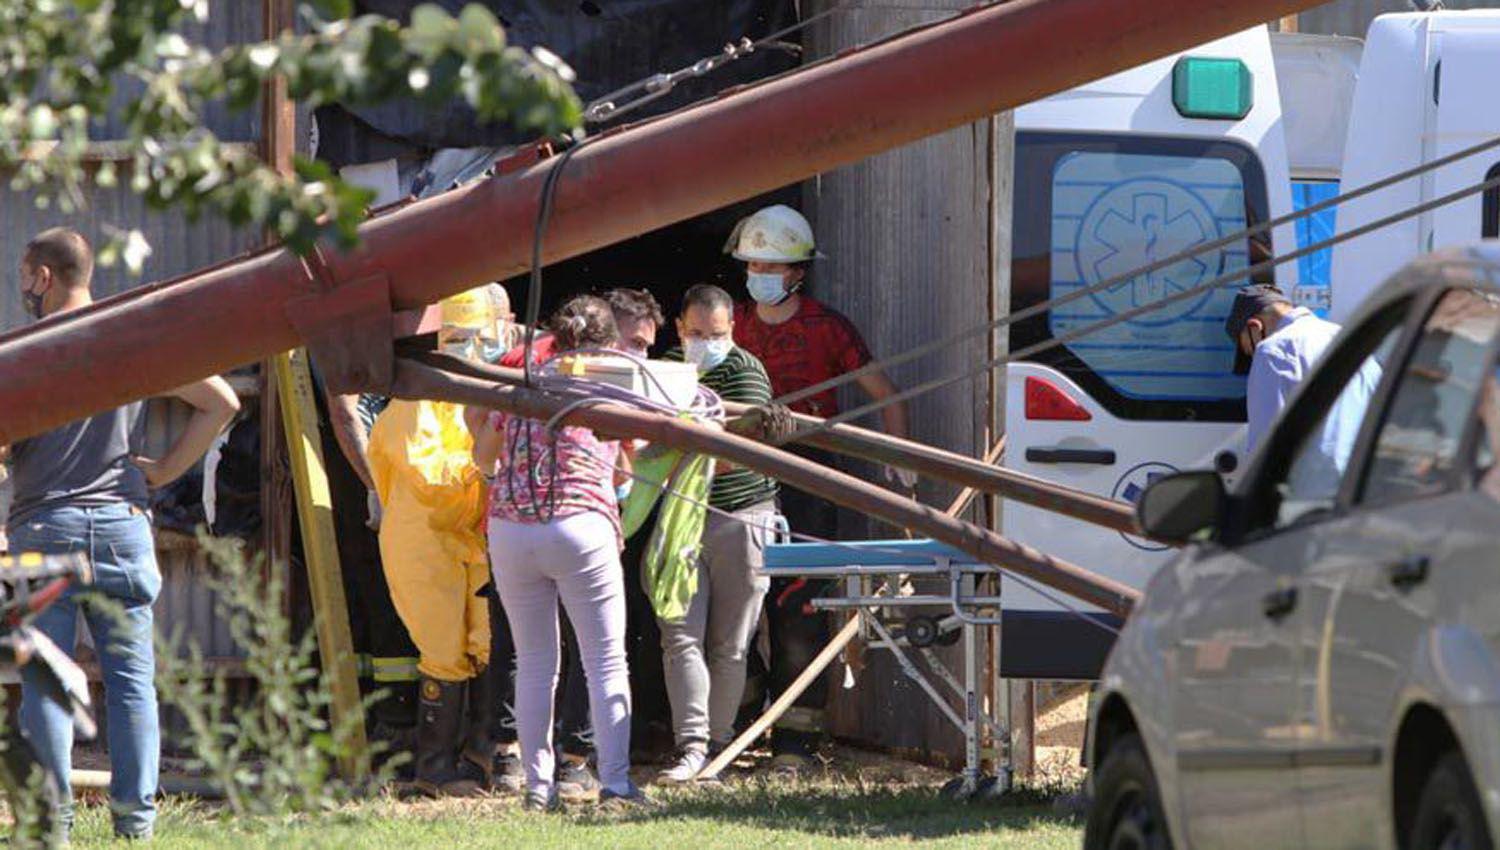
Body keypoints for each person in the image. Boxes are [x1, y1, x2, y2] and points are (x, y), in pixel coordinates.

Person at [2, 227, 240, 840]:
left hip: (43, 529)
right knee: (132, 685)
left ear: (43, 276)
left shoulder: (21, 354)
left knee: (46, 688)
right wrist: (164, 470)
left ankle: (50, 826)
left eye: (24, 275)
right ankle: (135, 825)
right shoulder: (129, 340)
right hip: (120, 528)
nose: (22, 287)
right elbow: (222, 403)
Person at [726, 204, 912, 769]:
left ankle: (796, 745)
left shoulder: (827, 327)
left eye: (771, 266)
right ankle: (738, 725)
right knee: (733, 607)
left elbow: (887, 395)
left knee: (800, 612)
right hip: (736, 475)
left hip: (810, 478)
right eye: (753, 264)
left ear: (797, 272)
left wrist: (900, 466)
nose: (759, 273)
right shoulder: (729, 325)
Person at [473, 295, 648, 810]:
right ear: (608, 342)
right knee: (605, 661)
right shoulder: (612, 384)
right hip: (580, 526)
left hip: (510, 529)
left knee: (533, 663)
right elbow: (626, 469)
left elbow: (484, 456)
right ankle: (616, 783)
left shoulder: (523, 379)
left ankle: (536, 787)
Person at [367, 287, 498, 797]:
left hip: (469, 536)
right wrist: (484, 467)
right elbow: (428, 479)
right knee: (442, 647)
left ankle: (480, 756)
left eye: (481, 337)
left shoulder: (478, 394)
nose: (474, 348)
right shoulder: (414, 399)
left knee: (486, 641)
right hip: (422, 539)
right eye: (463, 337)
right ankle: (434, 767)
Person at [654, 284, 779, 783]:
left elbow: (738, 454)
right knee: (679, 636)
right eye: (697, 333)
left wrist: (671, 456)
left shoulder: (746, 371)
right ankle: (690, 747)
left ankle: (718, 747)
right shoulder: (666, 367)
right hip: (681, 520)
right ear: (679, 329)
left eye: (718, 334)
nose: (707, 343)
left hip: (741, 516)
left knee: (730, 644)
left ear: (733, 330)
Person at [1225, 283, 1379, 475]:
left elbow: (1265, 446)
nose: (1253, 356)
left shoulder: (1272, 350)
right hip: (1361, 478)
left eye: (1249, 350)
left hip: (1313, 482)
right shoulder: (1347, 337)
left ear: (1255, 327)